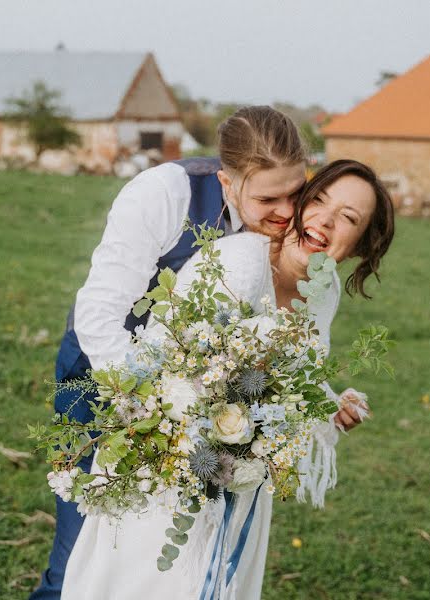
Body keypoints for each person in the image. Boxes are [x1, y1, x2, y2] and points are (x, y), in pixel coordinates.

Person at [60, 159, 395, 599]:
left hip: (240, 491)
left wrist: (327, 405)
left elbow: (292, 372)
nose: (325, 220)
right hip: (164, 470)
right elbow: (159, 365)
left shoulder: (323, 290)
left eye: (348, 218)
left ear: (358, 247)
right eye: (319, 201)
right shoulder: (236, 261)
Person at [30, 106, 308, 600]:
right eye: (268, 198)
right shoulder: (164, 193)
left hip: (202, 401)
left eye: (296, 192)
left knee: (157, 558)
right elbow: (99, 313)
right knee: (84, 553)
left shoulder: (288, 222)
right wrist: (151, 405)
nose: (287, 212)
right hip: (104, 377)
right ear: (226, 182)